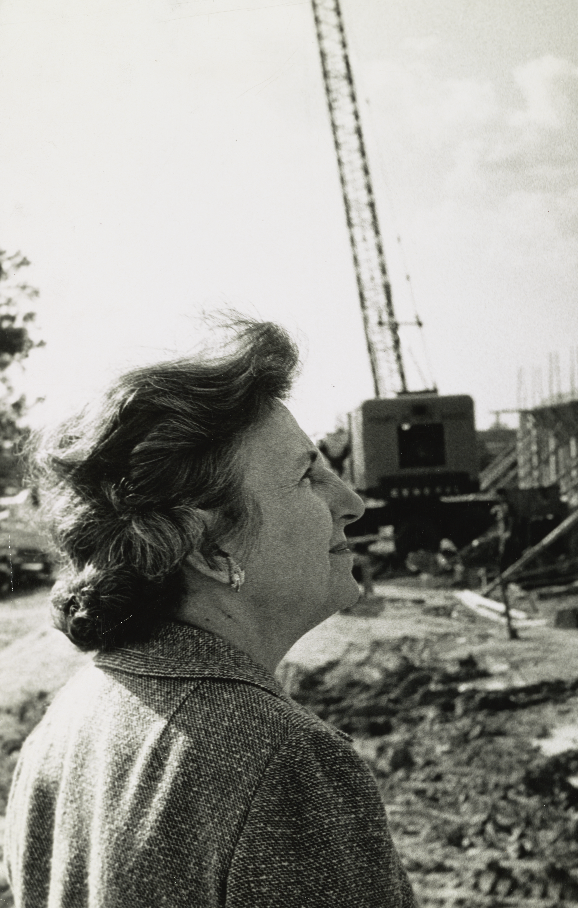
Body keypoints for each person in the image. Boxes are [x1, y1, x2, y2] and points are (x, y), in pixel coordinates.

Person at [3, 317, 417, 907]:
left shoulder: (65, 722)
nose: (351, 502)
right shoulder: (281, 761)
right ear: (209, 549)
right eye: (307, 476)